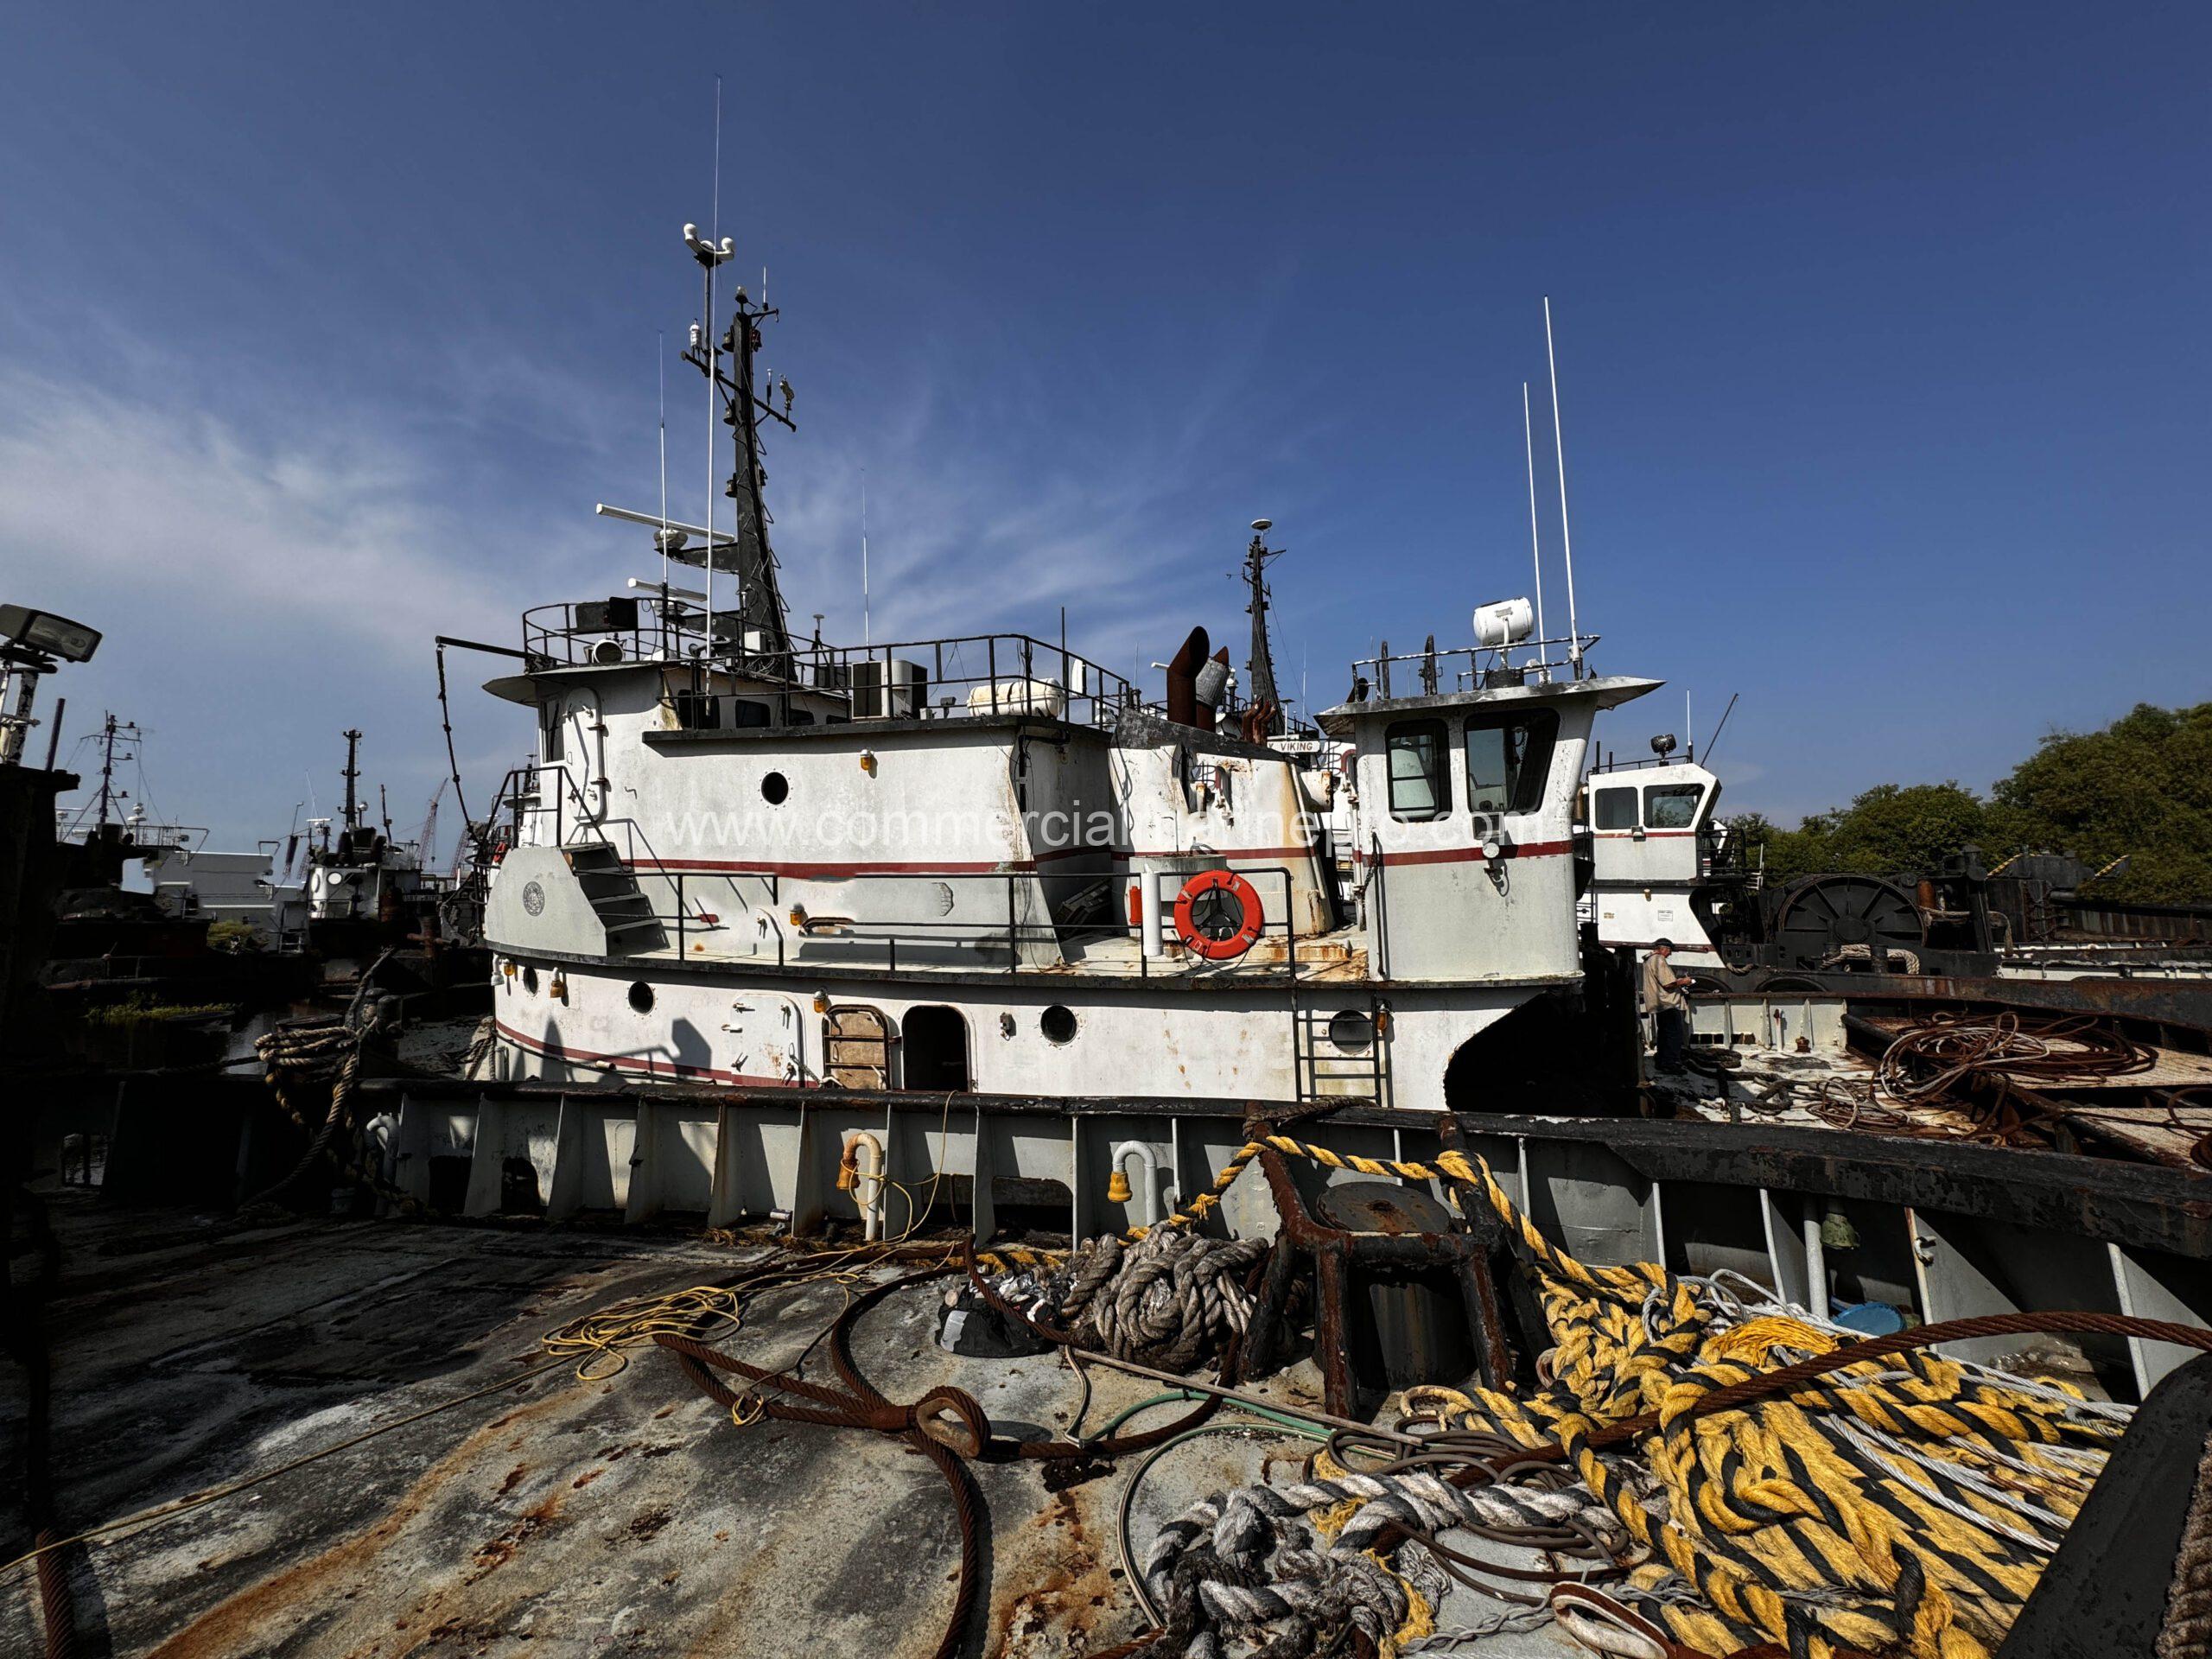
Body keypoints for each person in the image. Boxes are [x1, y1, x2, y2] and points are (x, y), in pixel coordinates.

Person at [1642, 938, 1693, 1074]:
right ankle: (1670, 1064)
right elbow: (1668, 984)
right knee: (1673, 1034)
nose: (1670, 954)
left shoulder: (1648, 960)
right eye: (1669, 951)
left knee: (1664, 1033)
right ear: (1663, 949)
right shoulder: (1658, 960)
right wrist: (1685, 981)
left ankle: (1662, 1060)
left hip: (1659, 1003)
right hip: (1668, 1003)